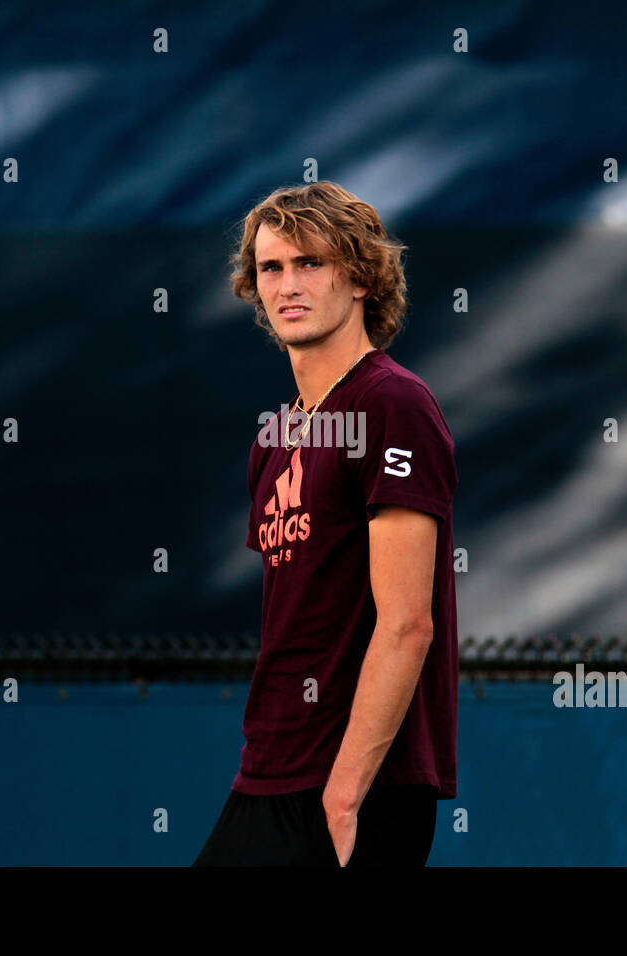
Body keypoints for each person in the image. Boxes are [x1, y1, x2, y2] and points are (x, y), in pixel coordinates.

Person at [193, 182, 458, 867]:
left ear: (361, 276)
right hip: (272, 772)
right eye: (271, 268)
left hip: (358, 788)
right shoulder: (275, 437)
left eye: (310, 263)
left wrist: (343, 798)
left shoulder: (391, 404)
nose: (287, 284)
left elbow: (407, 624)